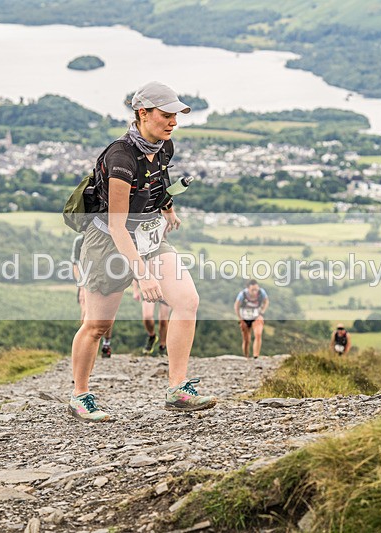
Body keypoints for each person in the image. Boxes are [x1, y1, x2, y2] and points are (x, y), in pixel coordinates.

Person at [69, 81, 216, 422]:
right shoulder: (120, 157)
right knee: (98, 325)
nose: (173, 122)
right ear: (142, 113)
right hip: (108, 241)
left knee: (187, 301)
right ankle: (80, 394)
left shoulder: (164, 147)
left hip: (149, 235)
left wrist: (167, 206)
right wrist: (143, 274)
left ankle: (177, 389)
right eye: (166, 115)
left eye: (176, 116)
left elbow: (156, 184)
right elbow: (119, 226)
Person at [72, 233, 112, 358]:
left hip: (105, 278)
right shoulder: (79, 241)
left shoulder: (107, 237)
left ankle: (106, 342)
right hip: (86, 280)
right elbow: (75, 265)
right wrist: (81, 282)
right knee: (85, 311)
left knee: (106, 314)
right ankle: (86, 344)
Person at [133, 279, 170, 357]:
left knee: (163, 320)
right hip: (149, 286)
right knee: (147, 317)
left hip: (165, 288)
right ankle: (152, 336)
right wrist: (135, 291)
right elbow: (136, 271)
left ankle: (162, 347)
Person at [234, 279, 269, 359]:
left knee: (258, 334)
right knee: (246, 340)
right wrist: (240, 319)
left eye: (256, 289)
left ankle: (256, 356)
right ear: (248, 288)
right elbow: (236, 306)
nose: (254, 292)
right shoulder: (242, 294)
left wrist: (262, 311)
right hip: (244, 318)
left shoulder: (261, 292)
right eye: (252, 290)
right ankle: (246, 357)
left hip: (256, 316)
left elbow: (266, 301)